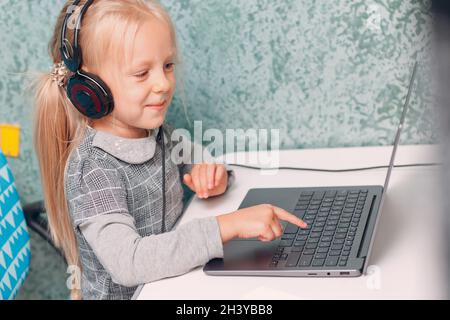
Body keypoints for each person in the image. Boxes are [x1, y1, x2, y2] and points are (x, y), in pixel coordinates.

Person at [32, 0, 306, 300]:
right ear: (90, 86)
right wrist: (226, 227)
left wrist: (210, 174)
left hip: (172, 286)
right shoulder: (94, 169)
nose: (163, 84)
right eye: (141, 73)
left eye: (167, 65)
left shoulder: (155, 133)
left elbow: (196, 159)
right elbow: (130, 263)